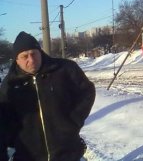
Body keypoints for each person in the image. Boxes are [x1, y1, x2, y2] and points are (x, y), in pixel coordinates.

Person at [0, 31, 95, 161]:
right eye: (25, 56)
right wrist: (17, 138)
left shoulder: (64, 69)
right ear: (17, 60)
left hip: (67, 152)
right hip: (29, 156)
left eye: (34, 53)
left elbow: (87, 91)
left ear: (40, 52)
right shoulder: (10, 85)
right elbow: (5, 120)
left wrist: (73, 121)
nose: (31, 59)